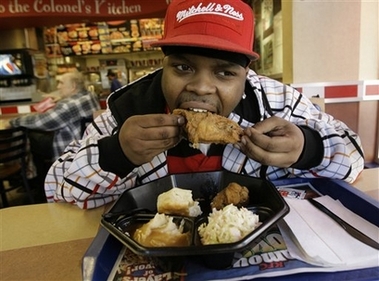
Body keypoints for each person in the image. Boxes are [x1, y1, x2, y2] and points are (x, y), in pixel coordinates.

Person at [45, 0, 364, 209]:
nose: (200, 86)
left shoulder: (275, 101)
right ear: (163, 66)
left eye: (225, 72)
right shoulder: (129, 107)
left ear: (246, 75)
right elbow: (57, 189)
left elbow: (354, 157)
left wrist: (307, 148)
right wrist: (117, 153)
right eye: (182, 67)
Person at [8, 71, 100, 161]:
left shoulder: (67, 105)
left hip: (70, 150)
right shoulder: (90, 96)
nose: (58, 87)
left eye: (61, 83)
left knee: (26, 132)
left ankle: (20, 167)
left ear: (73, 86)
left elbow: (42, 122)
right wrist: (61, 98)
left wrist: (14, 121)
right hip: (88, 147)